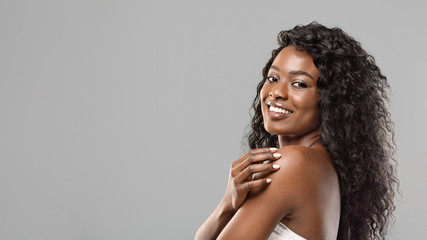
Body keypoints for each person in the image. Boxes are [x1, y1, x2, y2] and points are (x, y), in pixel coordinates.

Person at [195, 22, 398, 240]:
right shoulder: (320, 167)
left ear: (330, 100)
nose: (277, 93)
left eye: (299, 84)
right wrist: (228, 202)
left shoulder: (294, 163)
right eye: (273, 78)